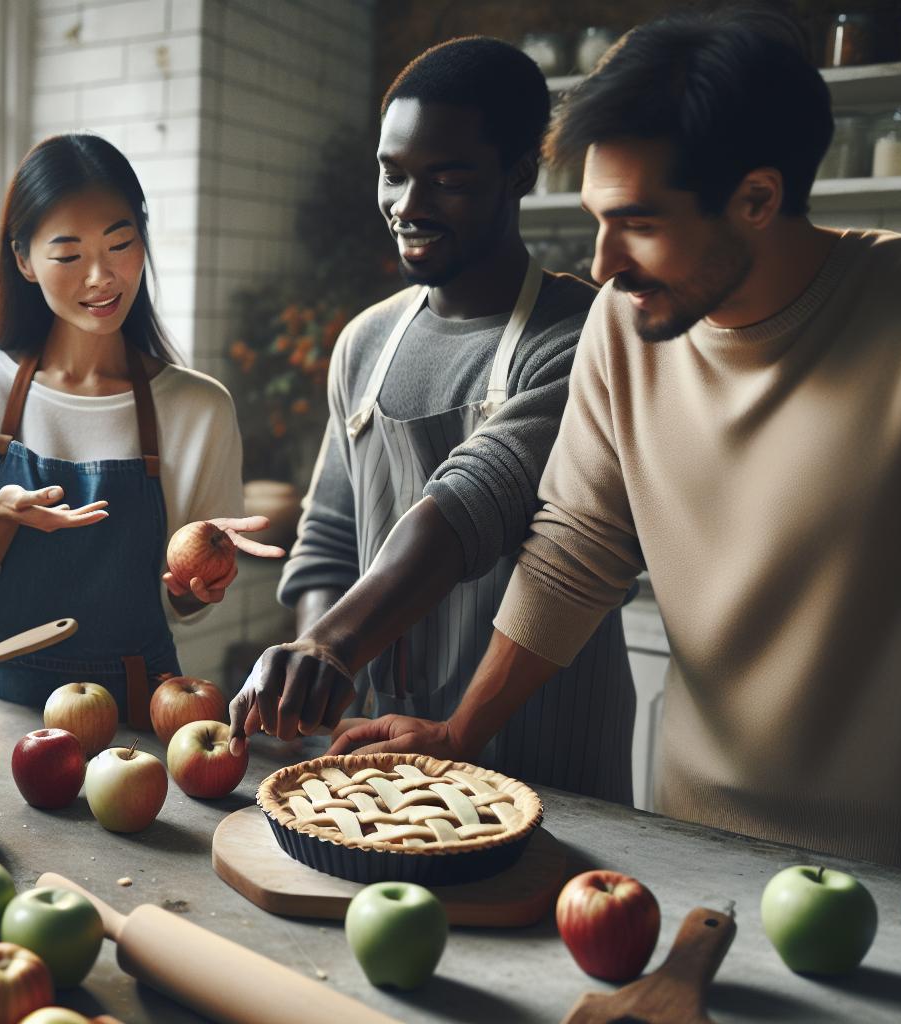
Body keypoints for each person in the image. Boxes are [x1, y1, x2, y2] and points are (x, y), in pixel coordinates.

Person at [328, 11, 901, 970]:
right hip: (690, 853)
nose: (602, 265)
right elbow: (575, 550)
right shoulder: (622, 330)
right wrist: (461, 732)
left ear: (758, 198)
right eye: (598, 219)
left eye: (637, 223)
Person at [227, 38, 634, 803]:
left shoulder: (583, 335)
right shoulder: (365, 341)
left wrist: (328, 645)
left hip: (542, 750)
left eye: (445, 180)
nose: (407, 206)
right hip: (385, 748)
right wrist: (316, 690)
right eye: (393, 173)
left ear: (520, 173)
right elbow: (328, 539)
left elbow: (468, 504)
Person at [0, 134, 279, 726]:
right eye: (67, 255)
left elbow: (183, 606)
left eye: (120, 244)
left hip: (140, 713)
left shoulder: (199, 408)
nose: (100, 277)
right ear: (24, 260)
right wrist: (0, 518)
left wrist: (196, 587)